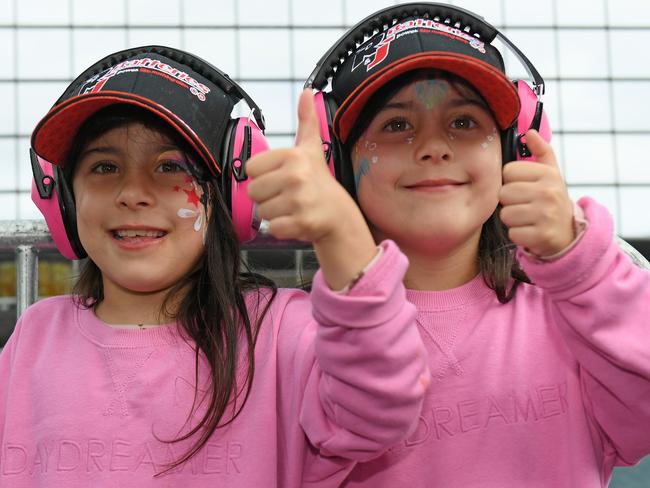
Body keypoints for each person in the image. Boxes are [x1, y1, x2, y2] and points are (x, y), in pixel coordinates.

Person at [0, 46, 429, 487]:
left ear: (229, 194)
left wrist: (342, 232)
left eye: (170, 166)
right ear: (63, 201)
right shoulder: (35, 336)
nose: (133, 193)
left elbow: (381, 408)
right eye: (104, 166)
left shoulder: (280, 330)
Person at [300, 4, 650, 487]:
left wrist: (580, 262)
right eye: (396, 125)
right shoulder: (292, 335)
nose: (433, 147)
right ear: (335, 163)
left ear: (516, 151)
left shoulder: (578, 316)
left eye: (464, 122)